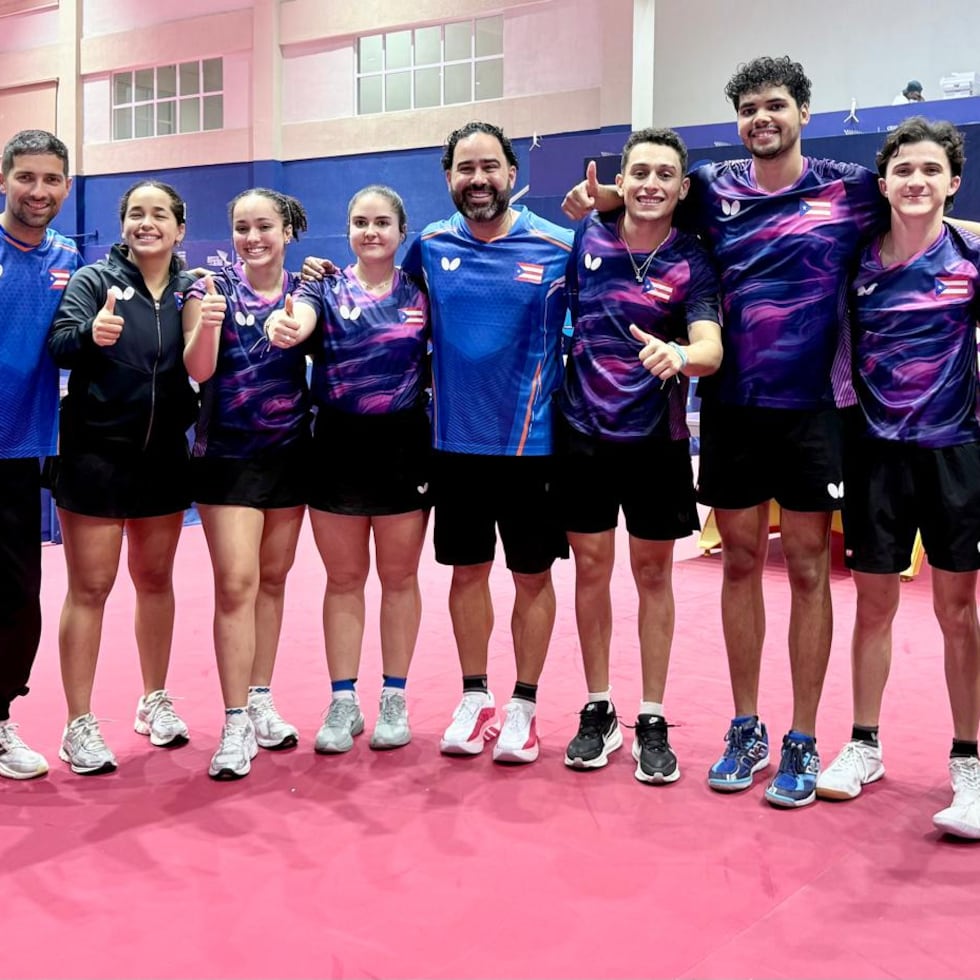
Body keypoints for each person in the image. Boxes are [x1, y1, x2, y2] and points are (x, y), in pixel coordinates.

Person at [564, 56, 889, 806]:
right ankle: (747, 728)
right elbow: (642, 200)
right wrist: (603, 196)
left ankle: (803, 736)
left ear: (804, 113)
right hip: (733, 408)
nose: (761, 119)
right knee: (740, 562)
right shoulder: (711, 188)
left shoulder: (848, 188)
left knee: (807, 569)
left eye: (775, 105)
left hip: (813, 408)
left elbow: (920, 207)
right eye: (747, 109)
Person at [814, 118, 980, 839]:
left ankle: (969, 762)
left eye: (930, 169)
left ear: (953, 182)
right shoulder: (855, 262)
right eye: (904, 170)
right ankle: (864, 744)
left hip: (955, 451)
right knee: (873, 604)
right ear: (882, 184)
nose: (916, 180)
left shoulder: (971, 255)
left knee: (957, 610)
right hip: (874, 453)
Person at [557, 127, 722, 783]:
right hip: (583, 435)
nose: (651, 184)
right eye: (640, 172)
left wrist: (679, 353)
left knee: (654, 577)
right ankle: (598, 705)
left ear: (682, 189)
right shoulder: (588, 238)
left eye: (665, 175)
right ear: (620, 181)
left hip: (657, 442)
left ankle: (651, 713)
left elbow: (710, 348)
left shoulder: (693, 259)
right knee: (591, 570)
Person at [266, 185, 430, 755]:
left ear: (402, 231)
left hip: (403, 448)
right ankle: (343, 700)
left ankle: (394, 696)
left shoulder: (422, 291)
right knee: (343, 579)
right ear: (348, 230)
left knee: (400, 578)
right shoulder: (324, 287)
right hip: (336, 447)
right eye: (360, 222)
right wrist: (288, 327)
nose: (371, 232)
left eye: (382, 222)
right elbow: (300, 317)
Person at [48, 180, 198, 775]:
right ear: (124, 225)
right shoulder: (94, 281)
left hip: (163, 457)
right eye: (136, 213)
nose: (146, 223)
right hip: (95, 456)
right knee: (90, 587)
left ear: (179, 228)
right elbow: (60, 344)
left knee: (155, 579)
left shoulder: (191, 289)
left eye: (159, 214)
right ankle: (78, 723)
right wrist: (92, 334)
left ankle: (153, 699)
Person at [182, 188, 310, 780]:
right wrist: (208, 324)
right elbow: (199, 369)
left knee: (273, 581)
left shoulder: (308, 289)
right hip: (226, 456)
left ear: (287, 231)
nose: (252, 238)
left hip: (289, 454)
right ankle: (234, 721)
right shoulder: (209, 289)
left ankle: (260, 697)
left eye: (263, 226)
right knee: (237, 583)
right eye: (241, 227)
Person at [0, 129, 80, 779]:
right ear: (3, 179)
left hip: (21, 449)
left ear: (67, 187)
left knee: (16, 594)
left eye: (51, 179)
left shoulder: (67, 259)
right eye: (26, 176)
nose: (38, 190)